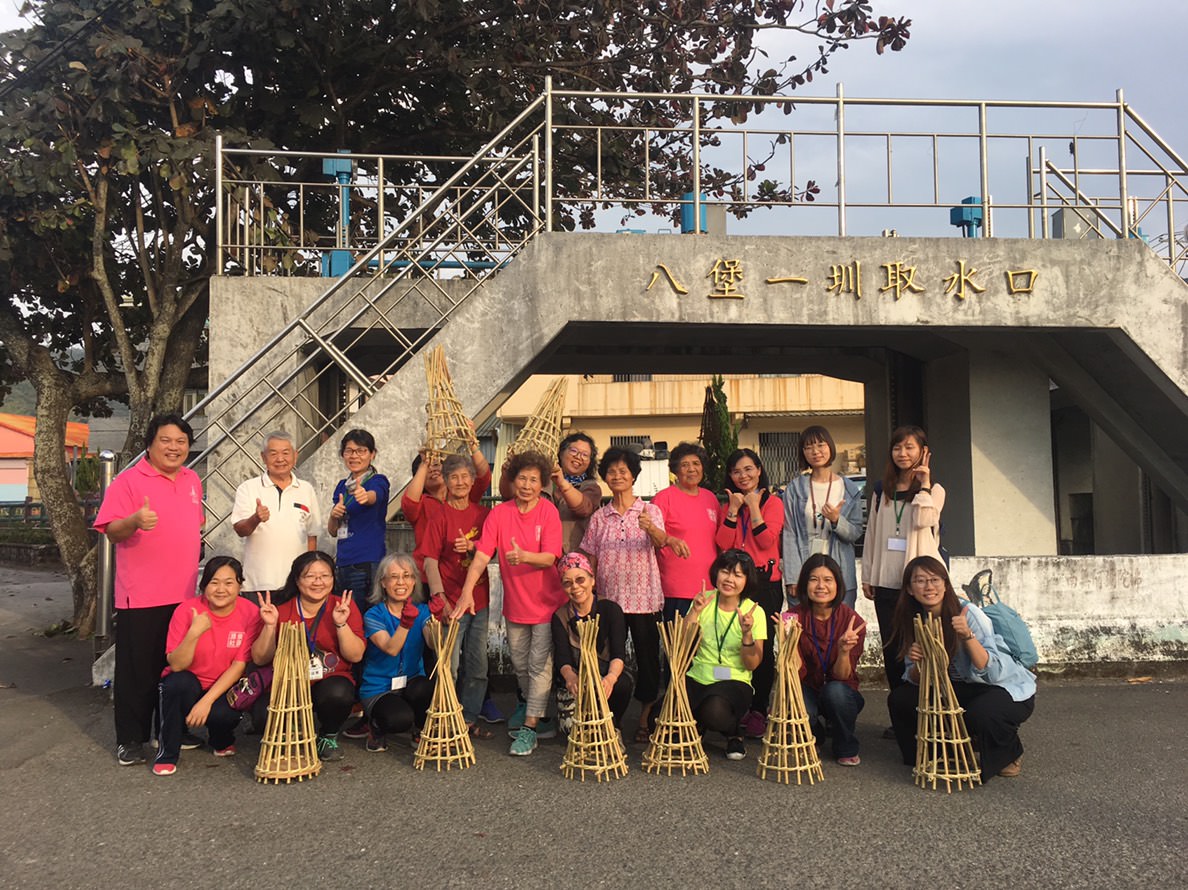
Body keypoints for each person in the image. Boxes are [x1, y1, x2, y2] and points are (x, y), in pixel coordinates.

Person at [94, 413, 205, 767]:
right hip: (141, 596)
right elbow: (112, 530)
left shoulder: (191, 480)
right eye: (166, 441)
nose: (174, 448)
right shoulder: (128, 482)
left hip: (184, 595)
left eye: (181, 442)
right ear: (149, 444)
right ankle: (130, 739)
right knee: (138, 672)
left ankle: (171, 730)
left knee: (177, 668)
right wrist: (135, 521)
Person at [455, 451, 565, 756]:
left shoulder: (548, 512)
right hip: (515, 603)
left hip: (545, 602)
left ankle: (529, 728)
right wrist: (466, 592)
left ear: (542, 484)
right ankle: (541, 717)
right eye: (522, 478)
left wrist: (525, 556)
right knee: (519, 665)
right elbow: (480, 556)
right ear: (512, 481)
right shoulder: (500, 514)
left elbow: (551, 556)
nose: (527, 485)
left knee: (539, 665)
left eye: (534, 480)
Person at [886, 556, 1036, 781]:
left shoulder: (969, 614)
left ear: (945, 584)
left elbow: (990, 669)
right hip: (954, 688)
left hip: (999, 687)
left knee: (983, 712)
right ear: (909, 588)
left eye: (935, 580)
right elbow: (914, 678)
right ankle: (939, 751)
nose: (929, 587)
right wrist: (919, 663)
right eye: (920, 581)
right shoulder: (913, 620)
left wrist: (967, 636)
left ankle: (1009, 752)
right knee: (901, 699)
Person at [579, 447, 667, 743]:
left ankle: (645, 718)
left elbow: (662, 544)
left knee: (647, 660)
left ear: (633, 476)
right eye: (611, 472)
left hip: (644, 598)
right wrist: (589, 591)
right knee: (608, 657)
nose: (617, 476)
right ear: (605, 477)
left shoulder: (650, 510)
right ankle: (608, 716)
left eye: (623, 471)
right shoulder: (599, 517)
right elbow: (589, 555)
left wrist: (650, 528)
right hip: (609, 599)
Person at [252, 551, 366, 762]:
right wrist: (269, 626)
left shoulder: (342, 606)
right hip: (287, 682)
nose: (318, 582)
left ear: (333, 578)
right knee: (262, 716)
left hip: (328, 680)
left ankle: (328, 735)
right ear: (297, 579)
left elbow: (356, 655)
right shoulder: (280, 609)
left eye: (325, 576)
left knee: (339, 692)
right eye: (310, 576)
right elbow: (260, 659)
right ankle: (294, 729)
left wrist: (341, 624)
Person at [152, 557, 261, 776]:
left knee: (224, 715)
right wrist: (194, 632)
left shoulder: (250, 613)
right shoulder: (186, 610)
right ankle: (167, 753)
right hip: (188, 681)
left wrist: (206, 703)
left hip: (223, 685)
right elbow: (176, 664)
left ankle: (220, 739)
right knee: (176, 684)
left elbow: (239, 666)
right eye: (214, 582)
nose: (221, 589)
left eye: (229, 583)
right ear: (204, 585)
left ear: (240, 585)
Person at [861, 425, 946, 691]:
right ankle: (901, 712)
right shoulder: (880, 490)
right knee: (893, 651)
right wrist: (868, 575)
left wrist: (924, 484)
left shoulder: (934, 491)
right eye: (897, 447)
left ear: (923, 452)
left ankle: (928, 708)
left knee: (922, 647)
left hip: (920, 585)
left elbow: (924, 520)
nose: (903, 453)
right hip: (886, 582)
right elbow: (872, 535)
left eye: (909, 447)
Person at [419, 454, 492, 738]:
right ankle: (446, 716)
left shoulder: (483, 514)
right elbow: (429, 560)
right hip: (450, 602)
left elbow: (491, 553)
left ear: (473, 481)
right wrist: (441, 599)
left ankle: (470, 717)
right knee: (448, 665)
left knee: (478, 664)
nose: (460, 482)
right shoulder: (438, 515)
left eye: (465, 477)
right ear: (446, 482)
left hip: (480, 600)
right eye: (454, 477)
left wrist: (472, 547)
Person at [715, 447, 784, 738]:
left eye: (748, 469)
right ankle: (739, 703)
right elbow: (722, 542)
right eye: (736, 471)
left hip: (765, 583)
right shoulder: (729, 503)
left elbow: (767, 540)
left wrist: (754, 507)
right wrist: (733, 510)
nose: (743, 476)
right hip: (735, 582)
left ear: (759, 470)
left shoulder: (774, 503)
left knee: (762, 648)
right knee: (735, 643)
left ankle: (758, 709)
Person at [683, 549, 767, 761]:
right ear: (716, 573)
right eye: (725, 572)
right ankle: (698, 722)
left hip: (733, 680)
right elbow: (681, 645)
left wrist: (747, 632)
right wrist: (694, 612)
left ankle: (733, 732)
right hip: (698, 676)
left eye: (738, 575)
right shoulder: (704, 600)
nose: (729, 579)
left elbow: (752, 664)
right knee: (659, 715)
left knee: (714, 711)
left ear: (747, 581)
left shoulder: (754, 611)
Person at [789, 554, 866, 766]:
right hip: (808, 687)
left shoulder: (852, 621)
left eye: (828, 580)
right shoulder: (792, 617)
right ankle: (815, 733)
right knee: (794, 695)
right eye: (814, 579)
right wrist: (789, 641)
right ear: (804, 584)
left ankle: (845, 744)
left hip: (839, 690)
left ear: (838, 584)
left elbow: (843, 676)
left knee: (836, 692)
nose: (821, 586)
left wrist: (843, 651)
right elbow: (793, 673)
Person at [230, 431, 320, 600]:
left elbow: (311, 537)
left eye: (286, 453)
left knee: (293, 628)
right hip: (257, 584)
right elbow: (240, 529)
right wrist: (255, 518)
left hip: (296, 584)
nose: (280, 459)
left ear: (295, 455)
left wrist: (309, 576)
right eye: (273, 453)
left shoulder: (306, 489)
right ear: (263, 457)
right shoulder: (248, 488)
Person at [357, 552, 433, 752]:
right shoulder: (373, 615)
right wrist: (406, 623)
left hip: (412, 681)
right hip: (379, 688)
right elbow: (391, 649)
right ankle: (375, 726)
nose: (401, 582)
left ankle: (419, 729)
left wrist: (441, 625)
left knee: (425, 687)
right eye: (394, 577)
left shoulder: (422, 610)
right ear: (383, 582)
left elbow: (433, 644)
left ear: (414, 581)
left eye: (407, 576)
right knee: (398, 720)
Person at [551, 553, 633, 734]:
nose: (575, 587)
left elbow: (619, 653)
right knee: (573, 730)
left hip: (605, 674)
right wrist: (571, 678)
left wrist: (610, 679)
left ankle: (613, 727)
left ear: (592, 580)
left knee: (622, 684)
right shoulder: (561, 616)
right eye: (568, 583)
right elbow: (562, 657)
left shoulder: (611, 609)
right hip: (577, 679)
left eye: (580, 579)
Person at [782, 426, 863, 608]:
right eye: (809, 447)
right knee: (801, 628)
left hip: (840, 571)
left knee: (841, 626)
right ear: (803, 452)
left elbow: (856, 532)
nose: (815, 451)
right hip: (804, 569)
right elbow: (789, 533)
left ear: (830, 447)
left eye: (820, 445)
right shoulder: (795, 489)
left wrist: (836, 520)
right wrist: (793, 576)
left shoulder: (848, 488)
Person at [401, 431, 492, 580]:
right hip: (427, 577)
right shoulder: (421, 503)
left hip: (464, 574)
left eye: (437, 464)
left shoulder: (462, 494)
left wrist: (472, 444)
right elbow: (409, 503)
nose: (433, 468)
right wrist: (424, 464)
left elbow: (483, 476)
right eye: (428, 468)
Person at [650, 442, 720, 619]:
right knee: (679, 645)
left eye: (696, 464)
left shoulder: (710, 498)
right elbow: (652, 538)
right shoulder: (663, 498)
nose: (691, 469)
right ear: (675, 470)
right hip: (675, 589)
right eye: (685, 465)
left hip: (709, 588)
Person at [500, 432, 600, 554]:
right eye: (574, 451)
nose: (578, 457)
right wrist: (506, 475)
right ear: (561, 453)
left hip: (572, 558)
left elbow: (583, 508)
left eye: (585, 455)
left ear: (590, 462)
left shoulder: (591, 487)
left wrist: (562, 482)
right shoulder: (541, 480)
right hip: (534, 553)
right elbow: (510, 496)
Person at [327, 429, 390, 613]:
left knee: (368, 618)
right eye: (349, 451)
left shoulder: (377, 480)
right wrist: (333, 515)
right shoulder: (342, 485)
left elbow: (374, 496)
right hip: (343, 562)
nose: (354, 456)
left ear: (372, 454)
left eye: (361, 450)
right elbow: (333, 531)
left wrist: (365, 495)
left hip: (368, 562)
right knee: (347, 617)